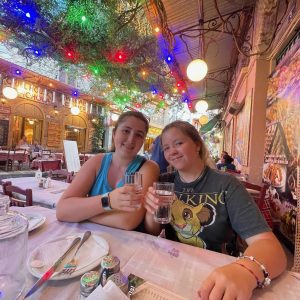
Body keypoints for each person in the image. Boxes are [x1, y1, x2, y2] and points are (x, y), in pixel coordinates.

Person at [144, 120, 286, 300]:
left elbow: (271, 247)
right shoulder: (165, 182)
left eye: (178, 143)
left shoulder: (226, 184)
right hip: (174, 265)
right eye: (166, 148)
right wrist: (152, 209)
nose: (171, 151)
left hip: (218, 269)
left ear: (197, 145)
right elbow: (153, 230)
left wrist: (244, 271)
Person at [56, 111, 160, 230]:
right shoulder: (96, 162)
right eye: (126, 131)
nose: (131, 139)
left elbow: (127, 221)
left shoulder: (148, 167)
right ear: (114, 134)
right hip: (90, 240)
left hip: (126, 244)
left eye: (139, 135)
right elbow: (62, 210)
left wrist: (82, 213)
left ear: (143, 141)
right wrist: (109, 200)